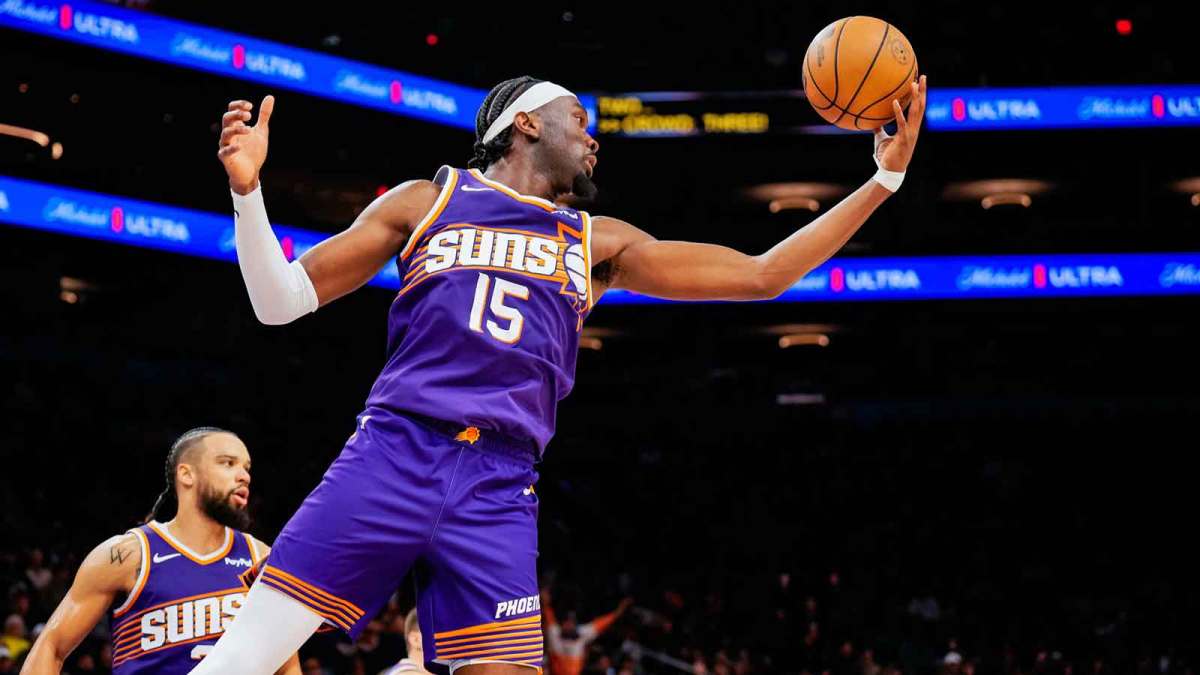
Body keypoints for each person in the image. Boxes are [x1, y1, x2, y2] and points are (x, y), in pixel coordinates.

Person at [198, 73, 927, 675]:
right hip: (394, 453)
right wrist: (247, 191)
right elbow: (278, 301)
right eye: (577, 116)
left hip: (500, 482)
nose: (593, 134)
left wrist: (883, 180)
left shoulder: (595, 239)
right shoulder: (428, 200)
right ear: (524, 124)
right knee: (244, 659)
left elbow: (764, 274)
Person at [20, 428, 300, 674]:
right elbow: (51, 648)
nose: (243, 476)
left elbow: (286, 666)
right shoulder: (127, 555)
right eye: (228, 463)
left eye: (247, 467)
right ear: (186, 474)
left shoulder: (259, 556)